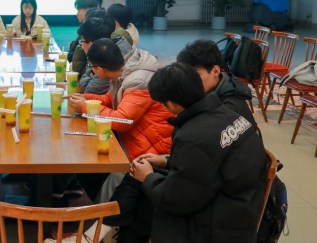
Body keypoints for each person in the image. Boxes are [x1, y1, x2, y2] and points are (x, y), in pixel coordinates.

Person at [129, 63, 267, 243]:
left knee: (144, 202)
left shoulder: (192, 136)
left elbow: (174, 199)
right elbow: (212, 162)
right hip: (245, 205)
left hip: (221, 225)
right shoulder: (229, 113)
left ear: (171, 103)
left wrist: (147, 177)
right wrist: (167, 162)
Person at [68, 39, 174, 162]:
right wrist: (86, 99)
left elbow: (122, 121)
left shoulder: (138, 81)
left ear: (100, 70)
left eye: (91, 67)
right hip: (136, 138)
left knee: (86, 153)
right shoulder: (122, 72)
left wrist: (85, 107)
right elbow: (109, 99)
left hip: (151, 150)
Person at [177, 39, 256, 127]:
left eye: (195, 75)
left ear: (215, 71)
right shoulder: (208, 91)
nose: (188, 80)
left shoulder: (230, 108)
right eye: (186, 74)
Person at [77, 15, 132, 95]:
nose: (81, 46)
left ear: (91, 44)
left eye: (82, 42)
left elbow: (90, 90)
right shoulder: (111, 48)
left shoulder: (107, 58)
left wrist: (90, 73)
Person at [68, 0, 99, 75]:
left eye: (79, 11)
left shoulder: (90, 31)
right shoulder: (87, 27)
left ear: (88, 11)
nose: (77, 14)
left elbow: (74, 59)